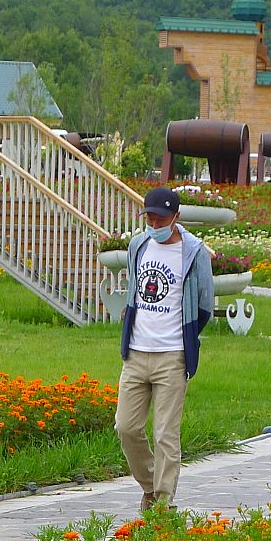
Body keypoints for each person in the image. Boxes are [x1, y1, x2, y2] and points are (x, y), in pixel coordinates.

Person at [117, 186, 214, 511]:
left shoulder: (195, 252)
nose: (155, 225)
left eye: (161, 219)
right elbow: (134, 289)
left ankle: (161, 503)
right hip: (136, 352)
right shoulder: (138, 245)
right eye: (150, 218)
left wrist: (182, 336)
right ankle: (150, 484)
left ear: (176, 217)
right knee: (127, 427)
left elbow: (204, 307)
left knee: (165, 435)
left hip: (172, 356)